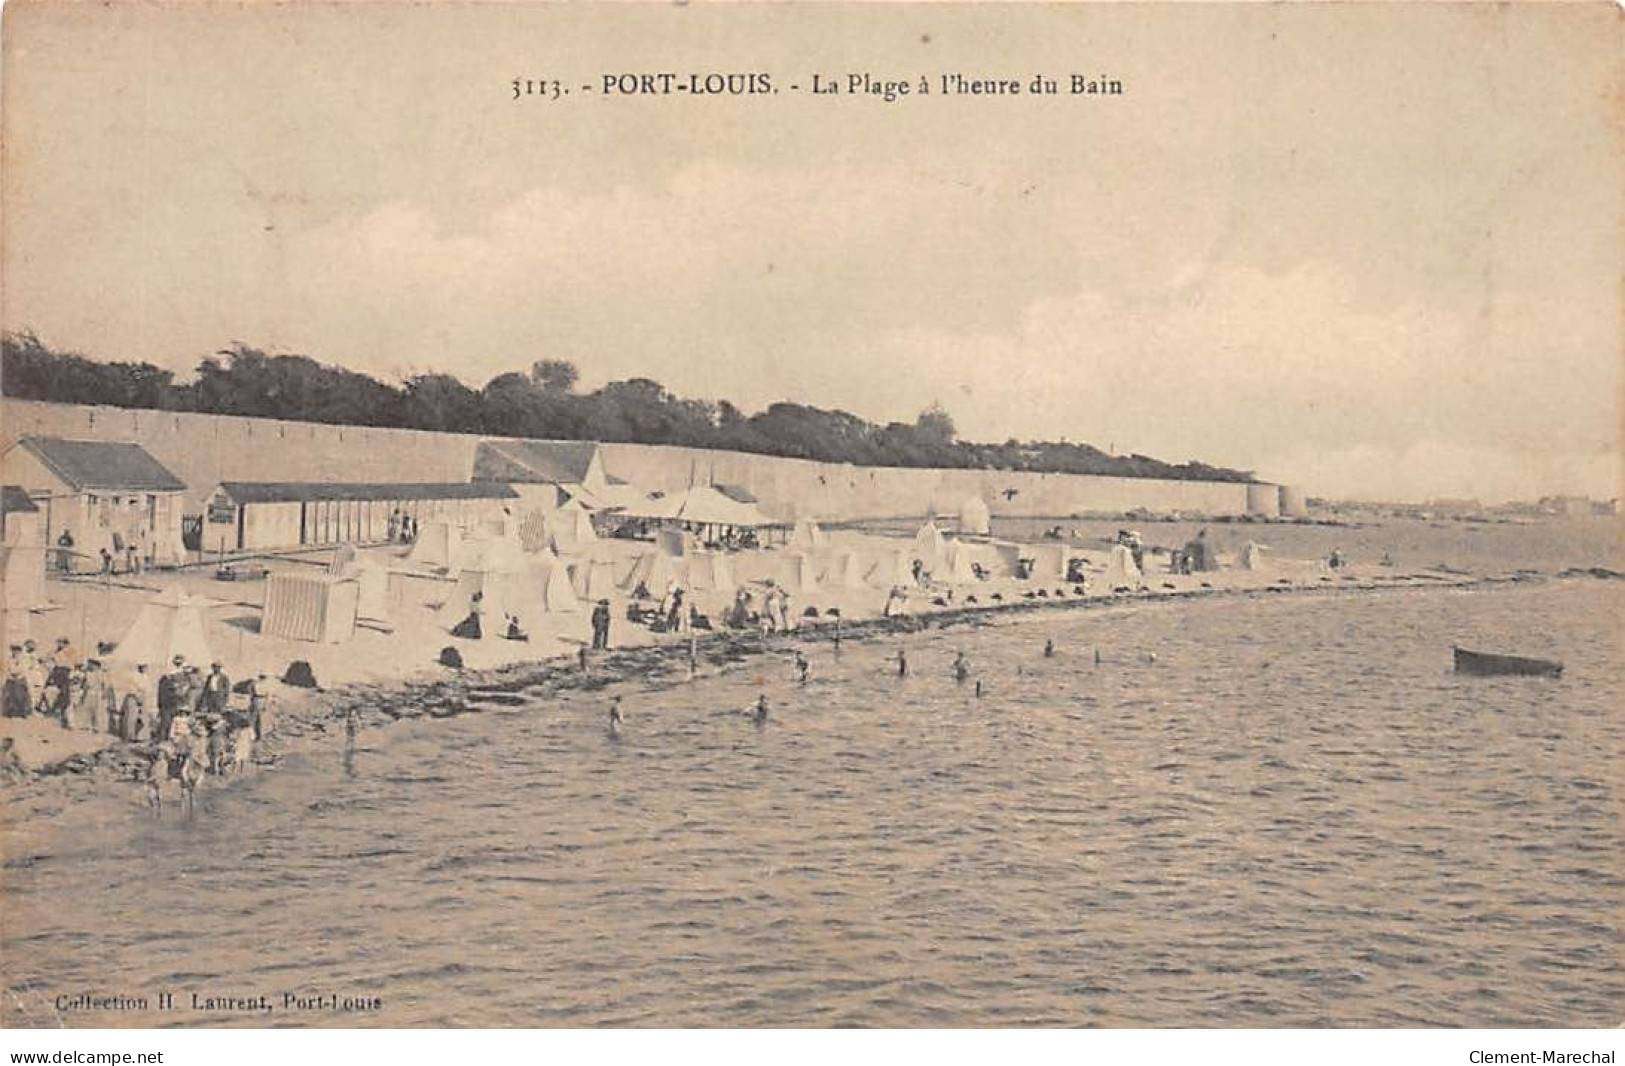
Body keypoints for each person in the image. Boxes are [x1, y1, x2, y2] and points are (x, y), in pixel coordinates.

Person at [245, 673, 270, 741]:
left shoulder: (264, 684)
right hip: (257, 699)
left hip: (260, 700)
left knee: (257, 719)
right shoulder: (256, 683)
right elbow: (250, 689)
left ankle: (257, 735)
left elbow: (267, 695)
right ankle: (254, 735)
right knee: (255, 718)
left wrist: (265, 704)